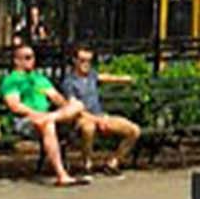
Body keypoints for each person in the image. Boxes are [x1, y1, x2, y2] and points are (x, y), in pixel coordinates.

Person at [0, 43, 95, 187]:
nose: (31, 61)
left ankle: (49, 118)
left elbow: (57, 98)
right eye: (26, 57)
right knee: (48, 125)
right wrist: (37, 114)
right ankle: (62, 175)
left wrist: (67, 106)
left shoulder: (39, 79)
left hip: (48, 116)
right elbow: (15, 106)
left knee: (78, 105)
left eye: (32, 57)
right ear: (16, 60)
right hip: (25, 120)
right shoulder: (12, 80)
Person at [59, 47, 143, 177]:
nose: (86, 64)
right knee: (89, 128)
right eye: (82, 60)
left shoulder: (92, 75)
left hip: (101, 116)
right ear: (74, 61)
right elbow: (75, 109)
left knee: (134, 130)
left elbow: (106, 77)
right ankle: (87, 164)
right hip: (80, 119)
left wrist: (126, 79)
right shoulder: (69, 82)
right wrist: (98, 120)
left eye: (89, 61)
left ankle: (113, 163)